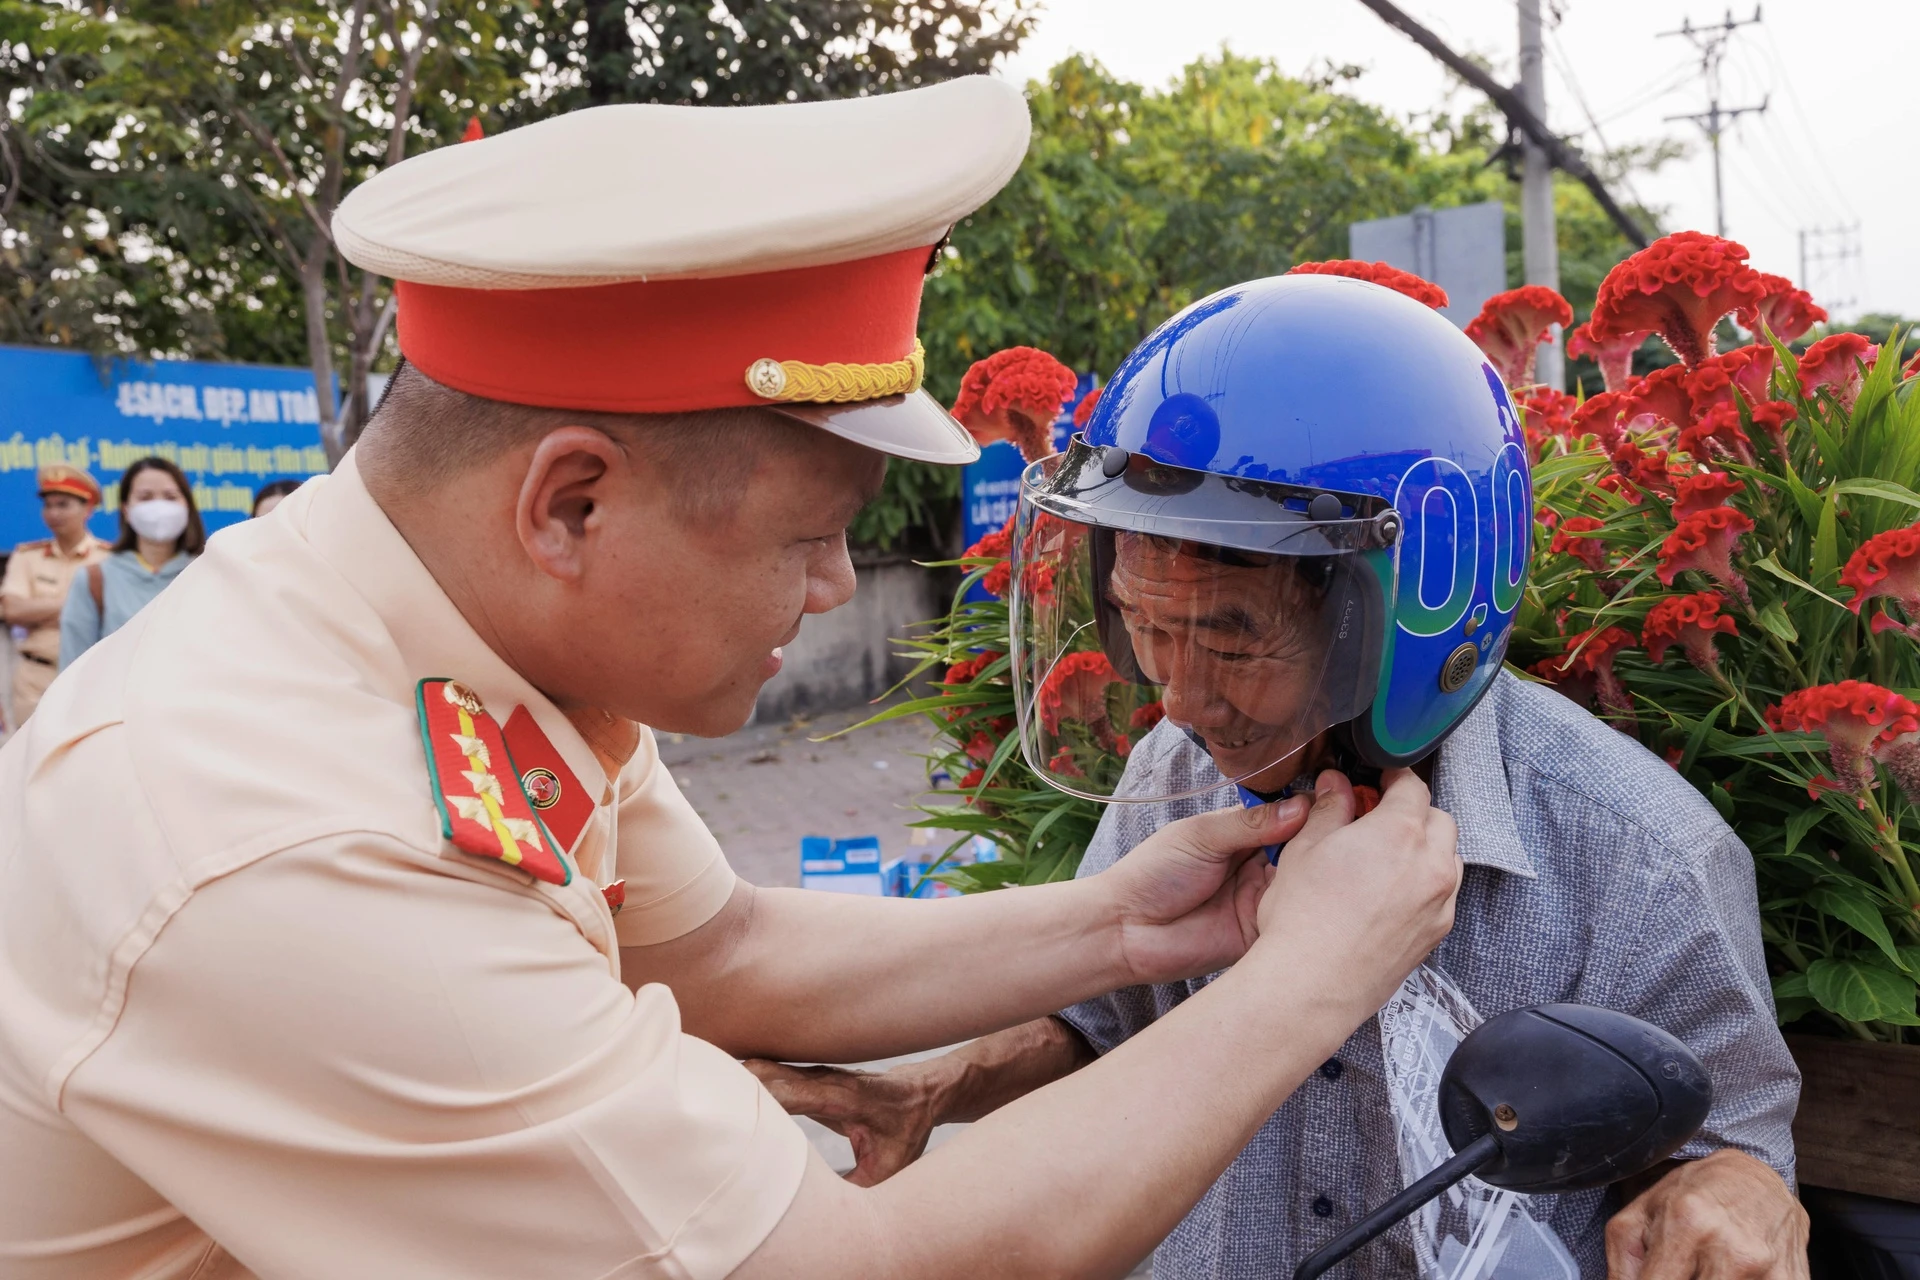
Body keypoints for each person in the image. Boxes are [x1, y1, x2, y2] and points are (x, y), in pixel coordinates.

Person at [0, 78, 1464, 1279]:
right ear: (570, 505)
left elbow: (725, 956)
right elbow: (852, 1266)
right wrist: (1308, 978)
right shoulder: (292, 844)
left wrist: (1124, 927)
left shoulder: (456, 638)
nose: (838, 589)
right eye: (811, 538)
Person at [754, 274, 1810, 1279]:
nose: (1177, 695)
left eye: (1230, 635)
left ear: (1414, 606)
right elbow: (1103, 1022)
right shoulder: (1185, 761)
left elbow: (1732, 1150)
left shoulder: (1637, 852)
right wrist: (937, 1085)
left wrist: (1734, 1186)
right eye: (1146, 627)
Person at [57, 455, 203, 669]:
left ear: (187, 506)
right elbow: (73, 670)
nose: (159, 507)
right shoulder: (95, 579)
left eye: (170, 497)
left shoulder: (207, 574)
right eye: (145, 497)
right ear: (126, 510)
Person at [0, 465, 110, 725]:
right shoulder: (27, 556)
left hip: (90, 675)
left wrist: (39, 611)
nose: (54, 513)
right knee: (29, 761)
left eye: (63, 505)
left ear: (88, 509)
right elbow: (13, 611)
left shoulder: (110, 559)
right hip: (34, 679)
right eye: (48, 505)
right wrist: (80, 603)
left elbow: (112, 616)